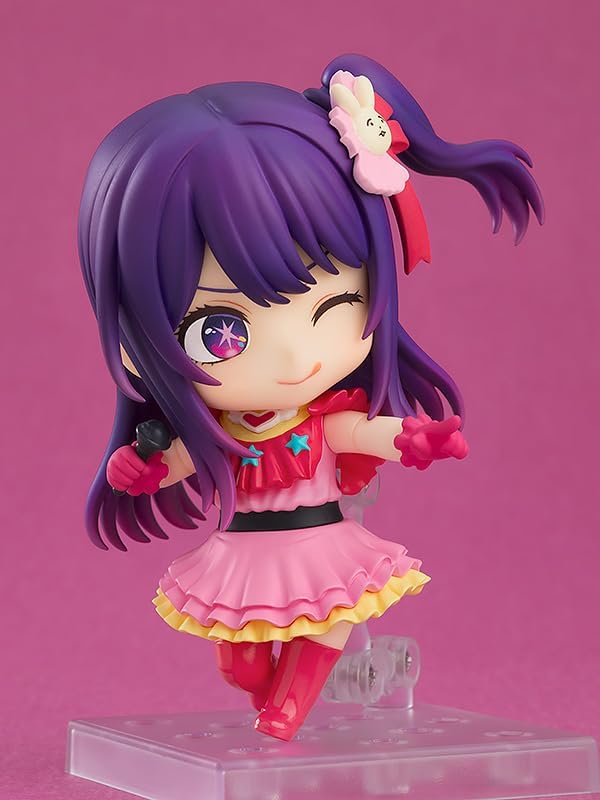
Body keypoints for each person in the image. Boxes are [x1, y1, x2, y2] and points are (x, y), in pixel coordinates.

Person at [77, 53, 543, 741]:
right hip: (241, 553)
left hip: (321, 541)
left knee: (327, 621)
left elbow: (361, 433)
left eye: (336, 305)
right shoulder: (218, 428)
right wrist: (144, 470)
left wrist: (415, 438)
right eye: (222, 330)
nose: (296, 359)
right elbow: (177, 463)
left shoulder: (322, 416)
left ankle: (290, 707)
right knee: (239, 663)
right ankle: (268, 694)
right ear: (130, 339)